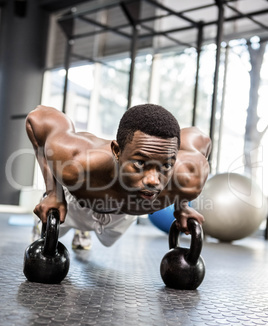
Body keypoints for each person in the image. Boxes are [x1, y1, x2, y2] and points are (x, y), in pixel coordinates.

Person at [26, 103, 211, 248]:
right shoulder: (77, 163)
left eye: (166, 165)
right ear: (116, 150)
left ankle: (85, 232)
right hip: (78, 201)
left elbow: (202, 139)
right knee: (50, 232)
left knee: (108, 241)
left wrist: (182, 206)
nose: (153, 181)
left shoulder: (190, 174)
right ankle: (73, 226)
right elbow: (37, 118)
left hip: (124, 214)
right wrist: (53, 193)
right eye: (140, 163)